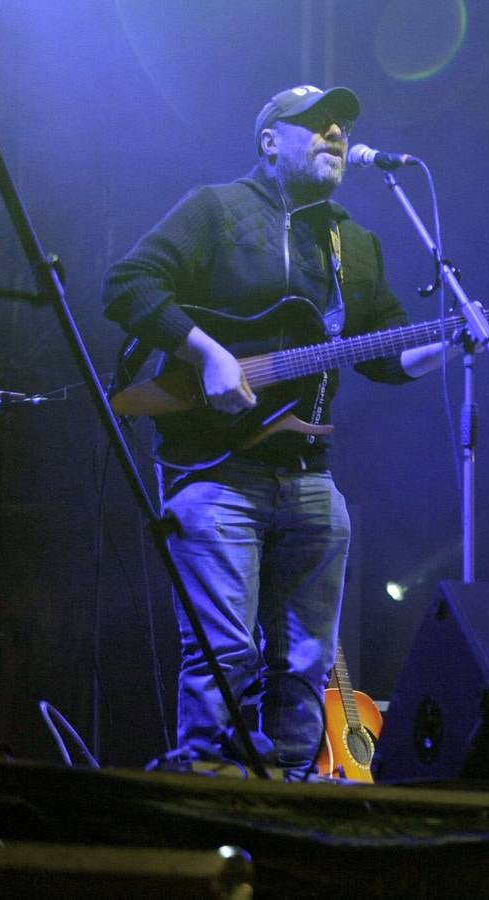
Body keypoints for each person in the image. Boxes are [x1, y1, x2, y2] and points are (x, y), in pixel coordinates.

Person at [102, 85, 452, 773]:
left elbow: (381, 352)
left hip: (309, 477)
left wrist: (448, 340)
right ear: (269, 141)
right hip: (213, 472)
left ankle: (290, 795)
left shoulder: (354, 243)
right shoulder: (216, 210)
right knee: (225, 649)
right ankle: (205, 789)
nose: (335, 133)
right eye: (316, 123)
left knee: (306, 662)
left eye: (343, 126)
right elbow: (129, 285)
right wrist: (207, 353)